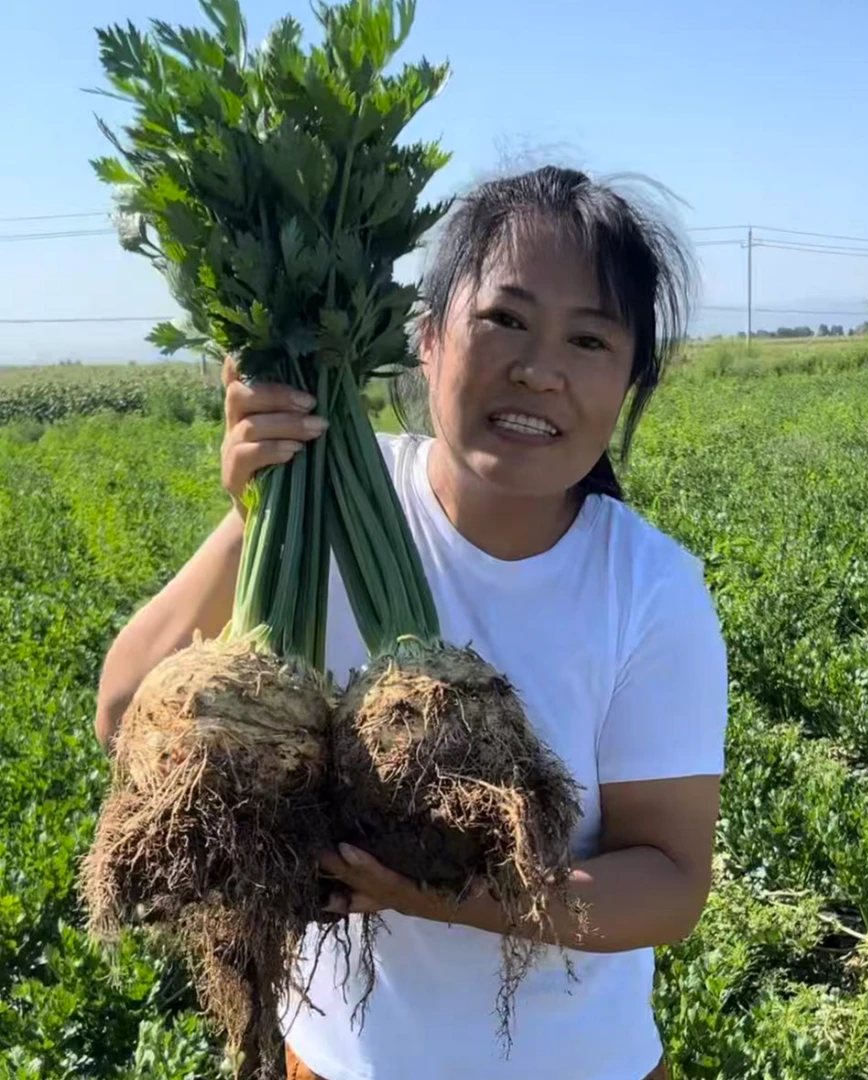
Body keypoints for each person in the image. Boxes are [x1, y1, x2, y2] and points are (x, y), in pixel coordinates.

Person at [95, 165, 728, 1080]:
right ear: (425, 339)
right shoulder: (326, 493)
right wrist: (253, 509)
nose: (540, 370)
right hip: (334, 1061)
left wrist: (452, 895)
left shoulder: (650, 589)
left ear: (631, 382)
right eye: (504, 319)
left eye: (590, 341)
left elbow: (669, 885)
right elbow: (123, 715)